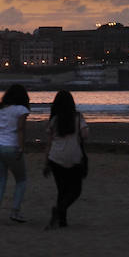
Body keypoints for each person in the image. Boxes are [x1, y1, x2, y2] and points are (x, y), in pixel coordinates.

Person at [43, 89, 89, 229]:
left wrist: (46, 163)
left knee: (62, 189)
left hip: (55, 158)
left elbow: (49, 143)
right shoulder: (77, 117)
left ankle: (62, 220)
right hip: (74, 157)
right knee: (76, 190)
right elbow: (85, 135)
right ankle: (59, 211)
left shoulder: (54, 120)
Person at [0, 84, 30, 225]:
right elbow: (21, 130)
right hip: (12, 146)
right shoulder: (21, 109)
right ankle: (15, 211)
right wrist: (21, 148)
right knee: (21, 180)